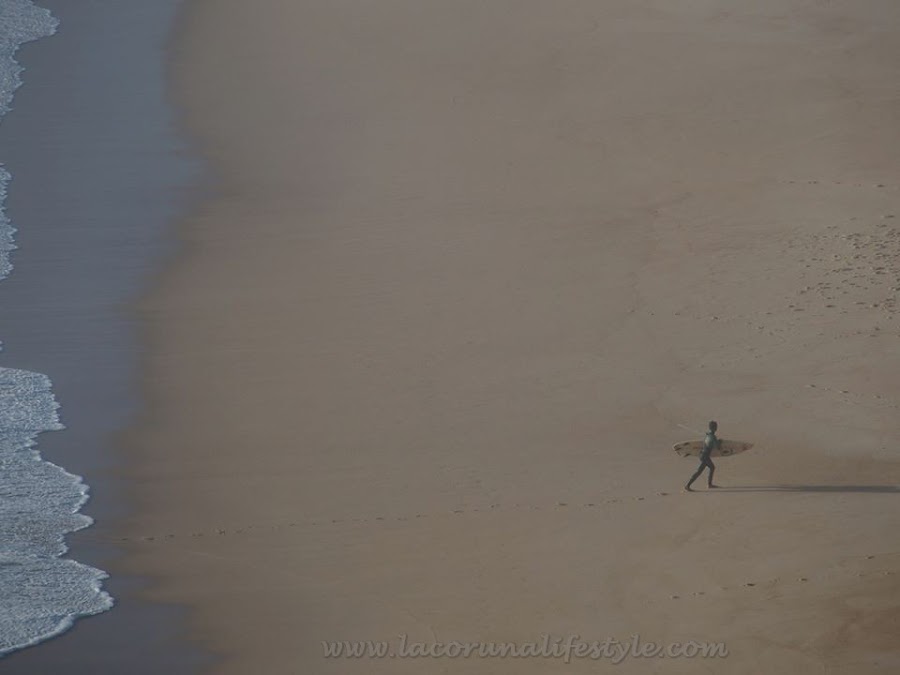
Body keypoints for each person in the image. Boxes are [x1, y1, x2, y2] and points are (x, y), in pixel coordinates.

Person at [684, 420, 720, 491]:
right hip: (705, 456)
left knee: (704, 469)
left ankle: (708, 484)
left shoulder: (708, 435)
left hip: (702, 455)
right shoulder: (713, 437)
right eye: (716, 426)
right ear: (715, 428)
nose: (716, 427)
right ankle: (688, 486)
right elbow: (717, 447)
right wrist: (719, 442)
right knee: (705, 469)